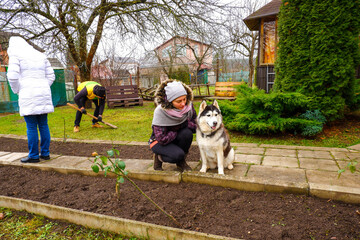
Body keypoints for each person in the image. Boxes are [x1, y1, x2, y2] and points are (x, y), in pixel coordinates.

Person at [7, 36, 55, 163]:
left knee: (31, 126)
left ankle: (33, 156)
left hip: (27, 94)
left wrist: (17, 90)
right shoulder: (40, 55)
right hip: (43, 94)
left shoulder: (16, 55)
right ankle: (45, 153)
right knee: (44, 124)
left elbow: (12, 77)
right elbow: (51, 76)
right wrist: (43, 86)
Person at [149, 79, 196, 172]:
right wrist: (179, 127)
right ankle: (159, 158)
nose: (183, 103)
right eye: (179, 101)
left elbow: (196, 126)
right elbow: (162, 139)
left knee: (187, 134)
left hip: (174, 137)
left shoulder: (188, 107)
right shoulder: (161, 112)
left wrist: (187, 124)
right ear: (170, 101)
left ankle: (181, 163)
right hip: (158, 142)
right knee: (177, 155)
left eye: (184, 99)